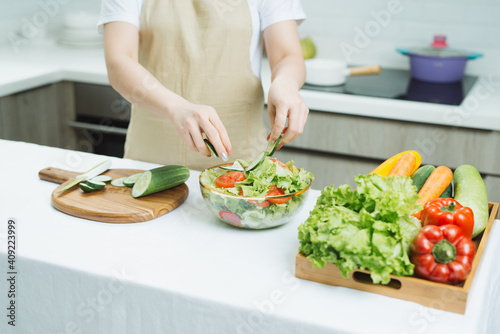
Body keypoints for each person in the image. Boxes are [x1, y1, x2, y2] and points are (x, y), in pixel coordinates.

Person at [99, 0, 309, 170]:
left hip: (239, 163)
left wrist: (286, 83)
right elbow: (119, 61)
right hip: (149, 160)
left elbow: (286, 55)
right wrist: (176, 107)